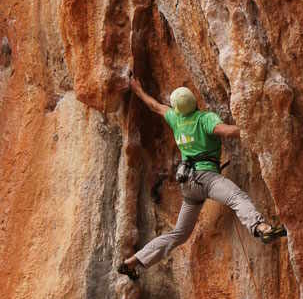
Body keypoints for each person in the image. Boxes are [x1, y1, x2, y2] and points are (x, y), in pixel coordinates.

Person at [117, 77, 286, 281]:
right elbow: (225, 131)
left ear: (177, 108)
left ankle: (132, 262)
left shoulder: (175, 118)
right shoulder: (204, 119)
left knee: (179, 234)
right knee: (236, 197)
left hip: (188, 184)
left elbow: (155, 107)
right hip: (207, 178)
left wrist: (138, 89)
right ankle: (261, 227)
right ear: (194, 102)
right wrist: (250, 129)